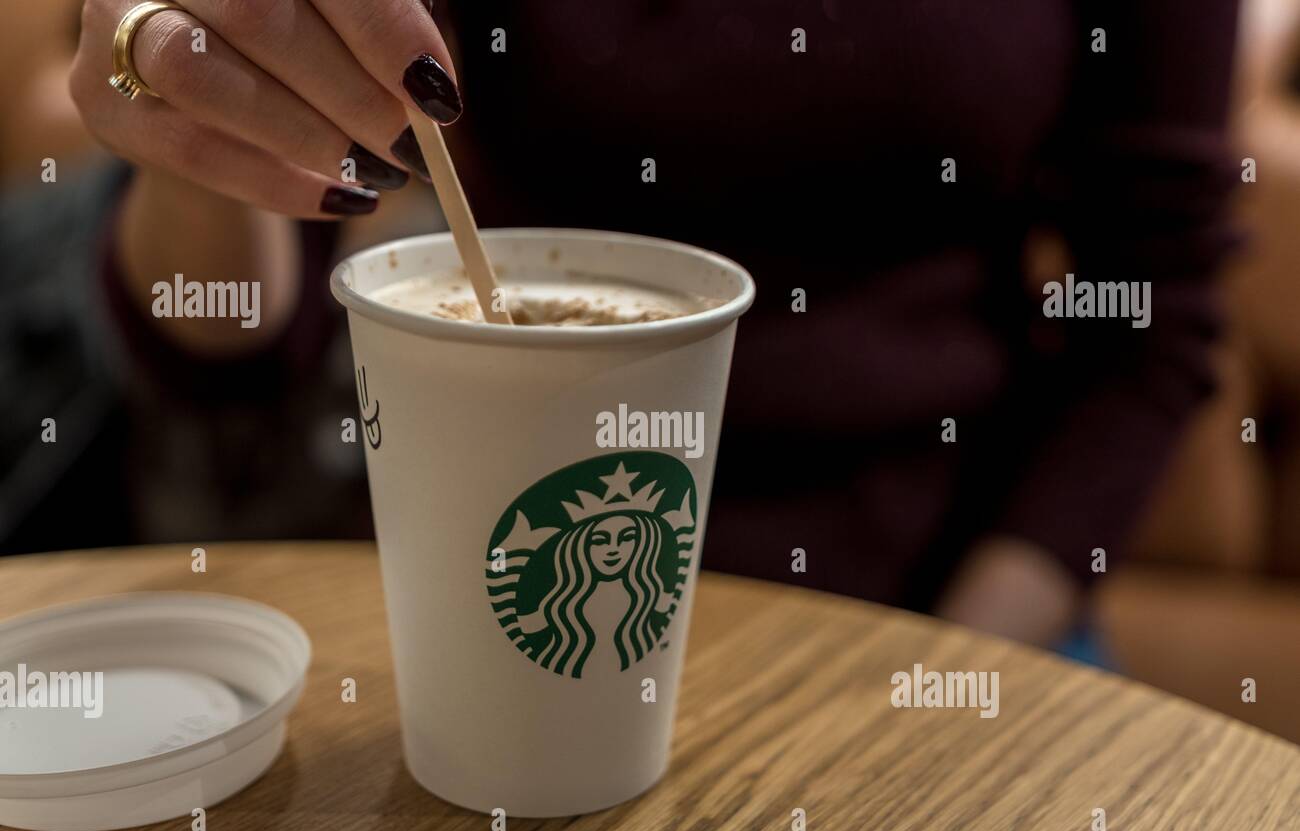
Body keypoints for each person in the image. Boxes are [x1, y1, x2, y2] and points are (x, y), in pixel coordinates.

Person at [56, 0, 1241, 648]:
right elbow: (227, 355)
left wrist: (938, 670)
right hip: (491, 606)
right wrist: (200, 119)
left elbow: (1148, 324)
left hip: (954, 611)